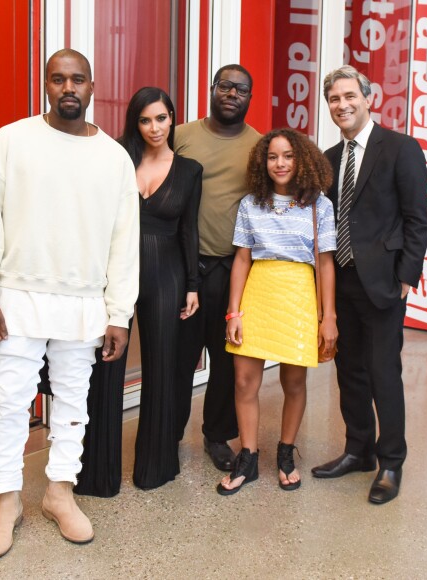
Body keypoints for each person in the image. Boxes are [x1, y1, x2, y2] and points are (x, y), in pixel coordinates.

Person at [0, 48, 139, 559]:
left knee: (72, 406)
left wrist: (118, 313)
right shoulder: (11, 142)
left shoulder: (113, 157)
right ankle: (7, 500)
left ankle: (60, 492)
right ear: (45, 84)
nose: (68, 88)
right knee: (12, 402)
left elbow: (123, 243)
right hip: (16, 295)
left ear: (91, 86)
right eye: (58, 79)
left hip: (83, 301)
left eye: (77, 79)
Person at [74, 87, 202, 494]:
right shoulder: (118, 160)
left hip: (167, 275)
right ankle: (97, 474)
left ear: (172, 118)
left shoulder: (189, 170)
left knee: (162, 368)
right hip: (117, 274)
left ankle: (156, 467)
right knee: (106, 367)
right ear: (135, 122)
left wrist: (193, 286)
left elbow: (189, 230)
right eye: (145, 120)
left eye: (161, 118)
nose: (154, 127)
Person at [311, 65, 427, 504]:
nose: (341, 105)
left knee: (384, 374)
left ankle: (391, 462)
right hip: (340, 283)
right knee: (350, 372)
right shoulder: (328, 158)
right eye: (334, 100)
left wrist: (405, 278)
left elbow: (419, 218)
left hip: (383, 285)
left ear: (369, 98)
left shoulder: (400, 148)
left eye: (349, 96)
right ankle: (357, 450)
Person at [216, 128, 337, 495]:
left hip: (299, 295)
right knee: (243, 381)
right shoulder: (252, 203)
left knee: (294, 382)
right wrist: (233, 312)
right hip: (259, 291)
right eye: (272, 157)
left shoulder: (320, 205)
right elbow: (241, 258)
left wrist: (327, 316)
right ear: (262, 163)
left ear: (302, 160)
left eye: (287, 156)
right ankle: (248, 458)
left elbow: (326, 262)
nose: (280, 163)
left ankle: (286, 453)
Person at [174, 64, 261, 471]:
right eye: (225, 85)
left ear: (248, 98)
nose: (232, 93)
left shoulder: (259, 146)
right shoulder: (181, 136)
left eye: (241, 90)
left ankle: (216, 434)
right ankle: (168, 431)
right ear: (212, 89)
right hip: (183, 268)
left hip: (232, 270)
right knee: (178, 355)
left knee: (226, 359)